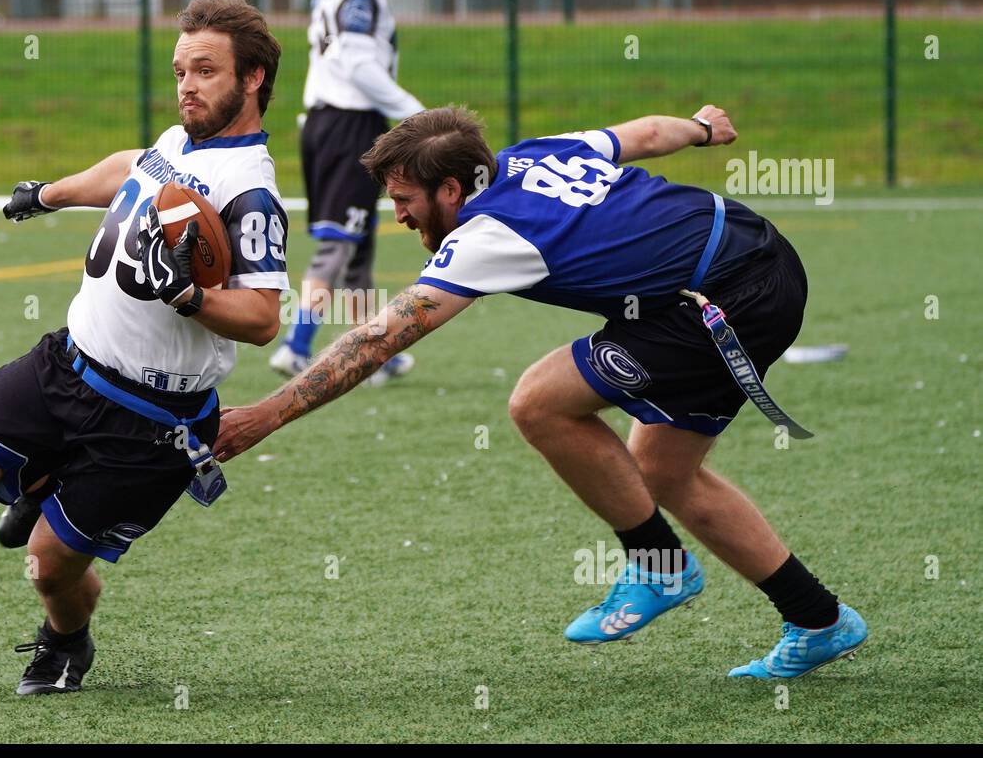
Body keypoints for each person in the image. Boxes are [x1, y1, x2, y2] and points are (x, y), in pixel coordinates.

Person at [215, 105, 868, 679]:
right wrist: (700, 128)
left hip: (719, 299)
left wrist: (268, 415)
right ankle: (819, 620)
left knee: (539, 401)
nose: (399, 212)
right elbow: (644, 133)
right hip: (758, 259)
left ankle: (659, 566)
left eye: (405, 197)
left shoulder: (485, 234)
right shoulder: (530, 155)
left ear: (451, 188)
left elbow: (377, 340)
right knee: (665, 473)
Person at [0, 0, 289, 695]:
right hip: (67, 368)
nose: (187, 86)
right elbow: (128, 168)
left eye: (205, 71)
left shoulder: (250, 191)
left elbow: (264, 317)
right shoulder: (179, 144)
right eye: (180, 71)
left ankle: (65, 642)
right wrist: (49, 193)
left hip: (151, 424)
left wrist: (190, 296)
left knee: (50, 566)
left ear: (254, 77)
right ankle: (44, 479)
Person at [269, 0, 423, 385]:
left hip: (326, 121)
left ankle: (374, 350)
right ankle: (296, 346)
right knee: (338, 241)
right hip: (349, 124)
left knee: (357, 244)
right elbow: (358, 64)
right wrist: (416, 114)